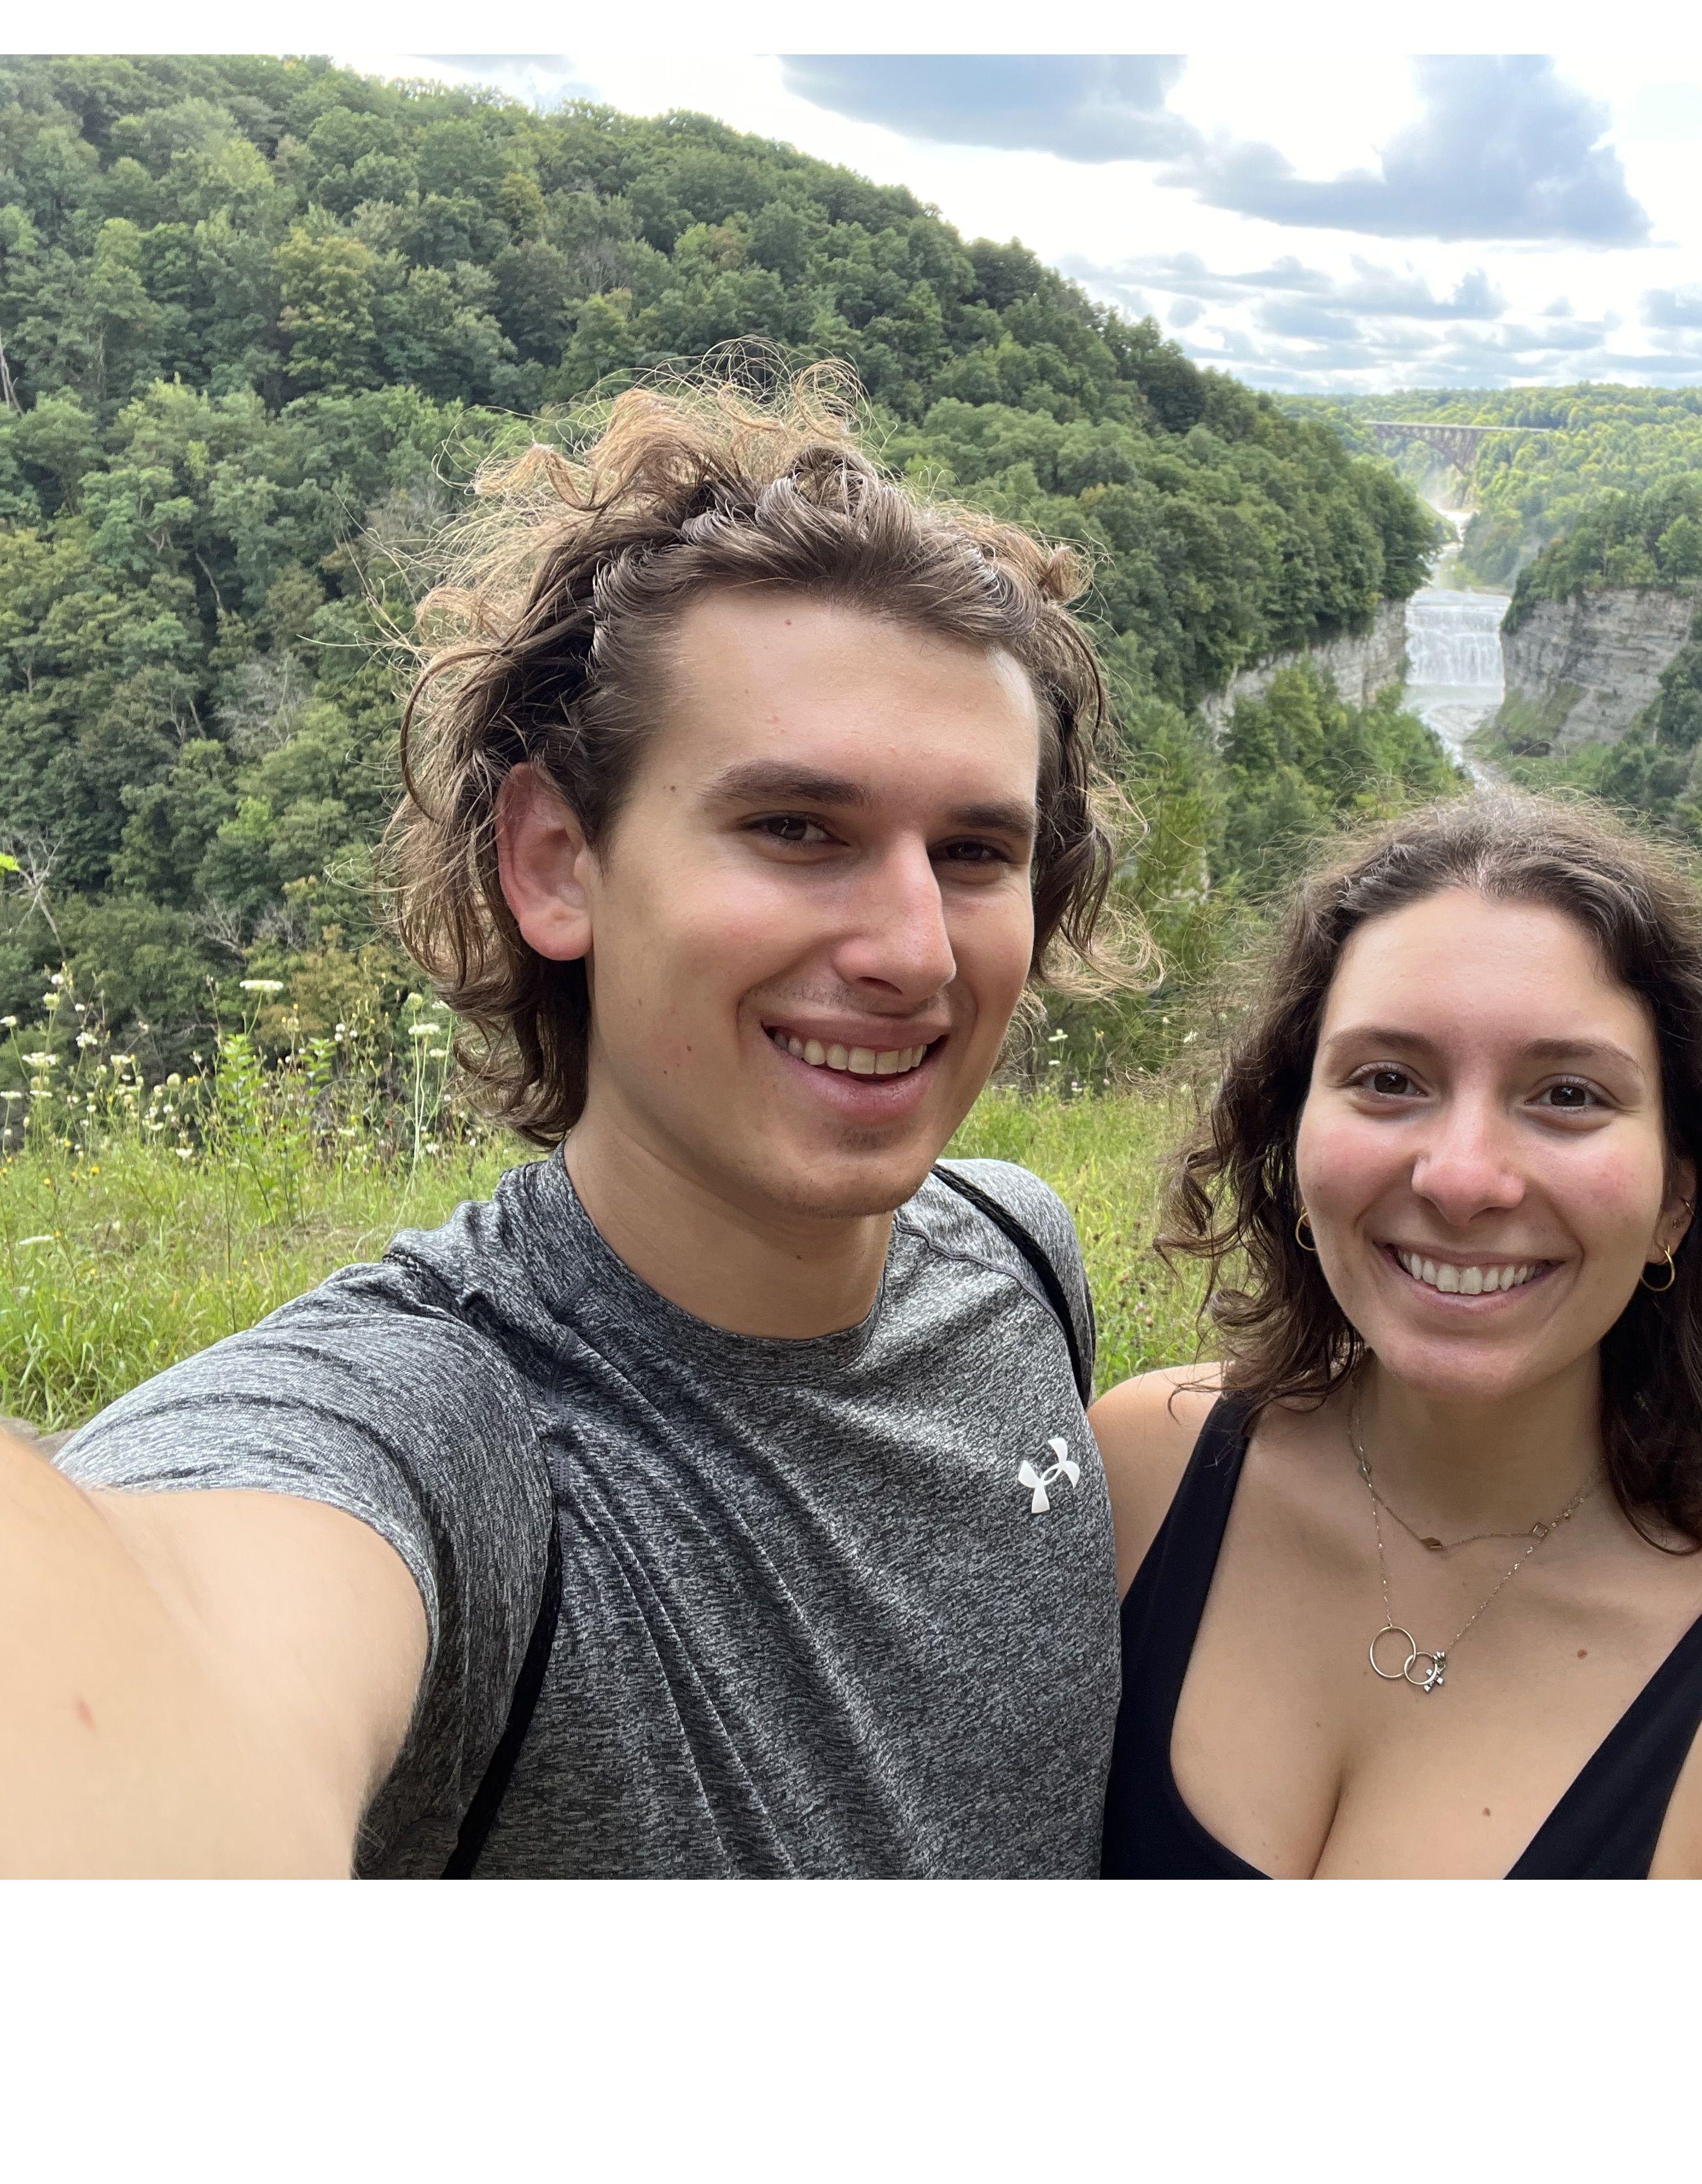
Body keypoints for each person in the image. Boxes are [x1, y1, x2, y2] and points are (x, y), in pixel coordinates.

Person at [0, 374, 1134, 1877]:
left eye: (977, 850)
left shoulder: (1019, 1252)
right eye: (798, 829)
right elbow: (175, 1657)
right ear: (555, 863)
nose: (916, 948)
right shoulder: (441, 1439)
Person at [1093, 793, 1702, 1879]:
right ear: (1293, 1138)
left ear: (1677, 1200)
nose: (1463, 1179)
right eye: (1388, 1080)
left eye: (1568, 1095)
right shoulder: (1140, 1475)